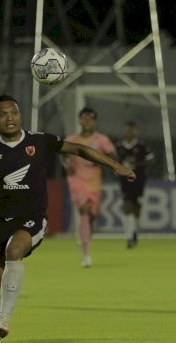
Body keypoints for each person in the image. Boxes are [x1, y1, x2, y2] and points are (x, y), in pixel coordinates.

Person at [0, 95, 135, 342]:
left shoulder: (40, 141)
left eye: (14, 113)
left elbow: (80, 149)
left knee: (15, 249)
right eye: (3, 114)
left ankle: (4, 318)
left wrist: (115, 166)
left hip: (32, 218)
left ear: (20, 115)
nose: (10, 118)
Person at [61, 107, 117, 267]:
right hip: (76, 180)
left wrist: (103, 159)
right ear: (79, 120)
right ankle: (86, 256)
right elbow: (63, 156)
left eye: (90, 119)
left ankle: (84, 238)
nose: (87, 122)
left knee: (91, 217)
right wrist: (67, 165)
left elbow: (113, 156)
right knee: (84, 210)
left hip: (94, 182)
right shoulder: (71, 139)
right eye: (84, 118)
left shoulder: (101, 140)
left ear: (95, 122)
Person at [116, 121, 155, 248]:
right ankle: (130, 236)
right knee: (128, 206)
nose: (130, 133)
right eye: (128, 130)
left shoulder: (142, 146)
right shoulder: (119, 147)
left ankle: (133, 232)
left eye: (132, 130)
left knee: (137, 208)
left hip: (139, 180)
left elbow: (151, 160)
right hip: (124, 181)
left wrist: (136, 164)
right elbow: (112, 161)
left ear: (136, 132)